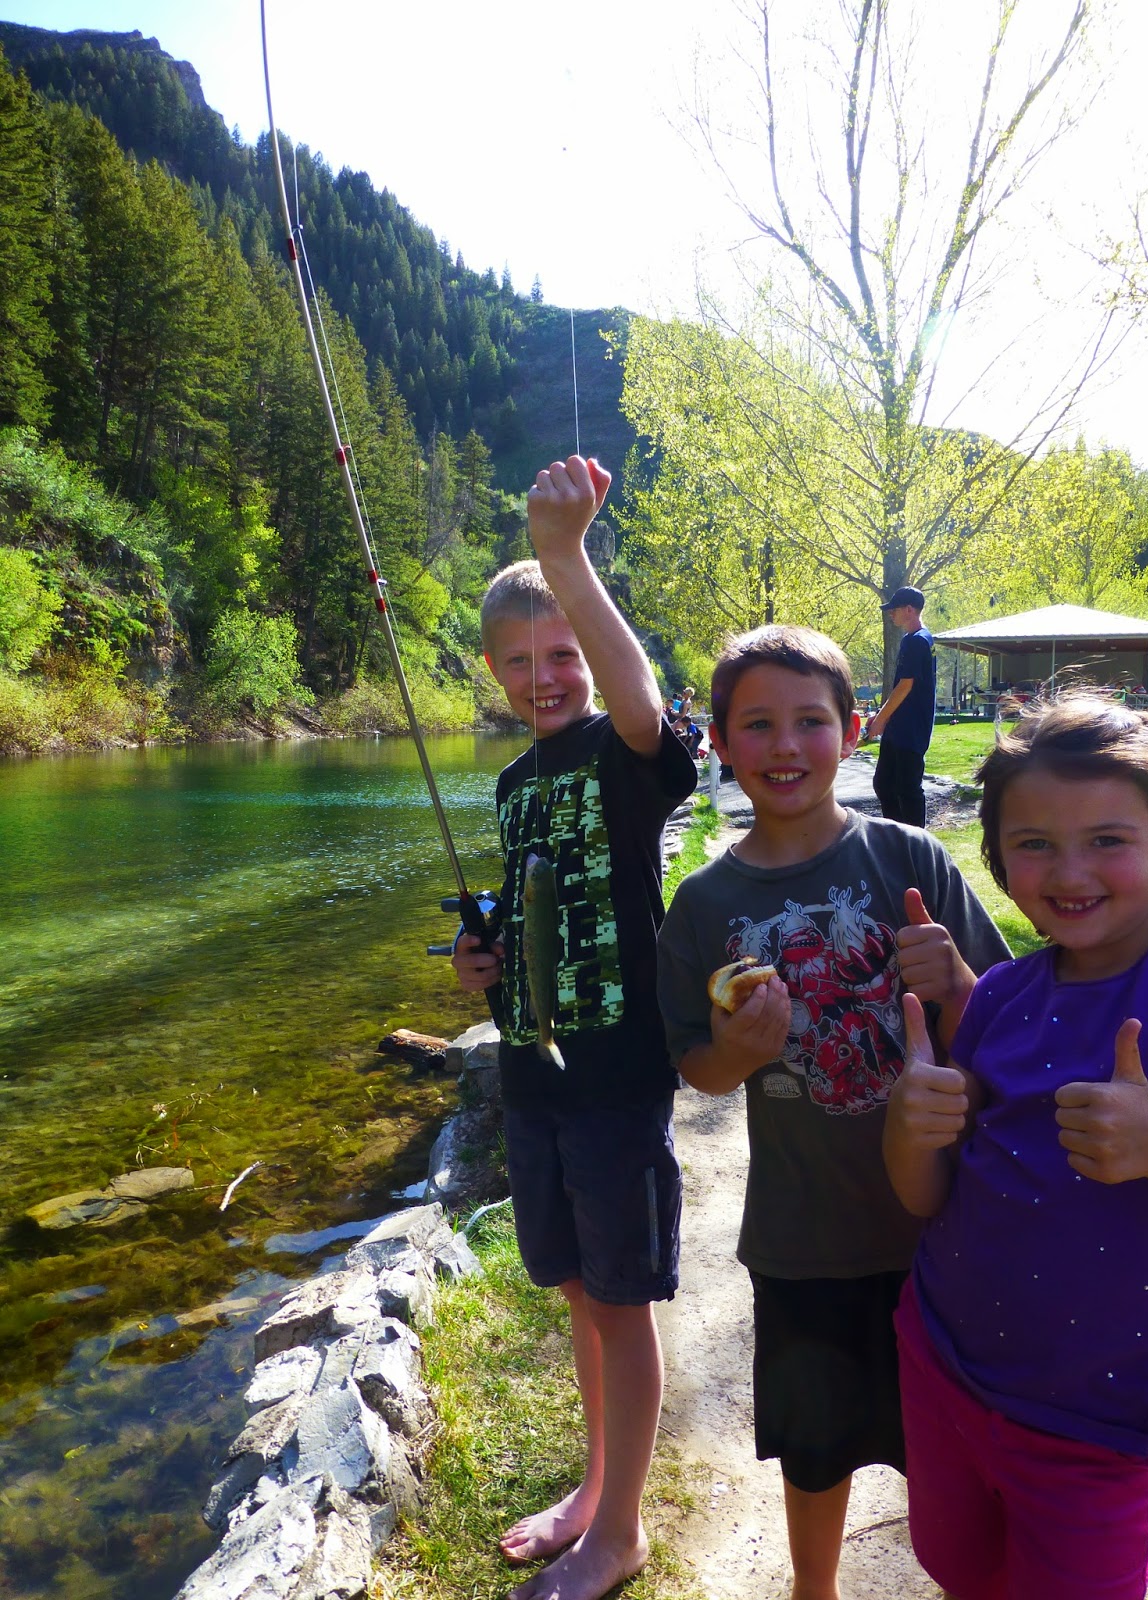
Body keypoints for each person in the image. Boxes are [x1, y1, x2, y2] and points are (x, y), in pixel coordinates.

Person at [655, 624, 1010, 1600]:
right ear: (718, 742)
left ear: (852, 730)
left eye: (810, 721)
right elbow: (699, 1068)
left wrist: (958, 979)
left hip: (939, 1231)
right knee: (815, 1451)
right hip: (800, 1238)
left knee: (947, 1447)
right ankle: (816, 1590)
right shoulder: (701, 902)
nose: (783, 746)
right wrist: (737, 1048)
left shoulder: (909, 860)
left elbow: (1006, 1028)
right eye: (756, 724)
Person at [883, 693, 1148, 1600]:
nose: (1071, 871)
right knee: (960, 1571)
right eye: (1034, 844)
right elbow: (924, 1195)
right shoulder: (999, 997)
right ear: (997, 856)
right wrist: (909, 1129)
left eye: (1108, 839)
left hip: (1092, 1425)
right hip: (940, 1366)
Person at [451, 454, 697, 1600]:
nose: (546, 677)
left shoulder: (623, 754)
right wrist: (481, 958)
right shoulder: (510, 785)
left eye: (564, 656)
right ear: (495, 672)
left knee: (623, 1296)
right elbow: (523, 902)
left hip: (615, 1074)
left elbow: (642, 705)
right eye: (522, 661)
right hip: (532, 1067)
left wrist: (566, 559)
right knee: (573, 1289)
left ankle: (624, 1529)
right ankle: (596, 1488)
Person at [865, 586, 935, 828]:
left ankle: (915, 842)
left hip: (911, 728)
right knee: (884, 783)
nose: (890, 614)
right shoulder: (915, 639)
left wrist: (881, 719)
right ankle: (897, 835)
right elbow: (902, 686)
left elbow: (906, 685)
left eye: (894, 609)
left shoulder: (917, 641)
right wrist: (883, 714)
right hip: (901, 725)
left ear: (909, 609)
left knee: (907, 788)